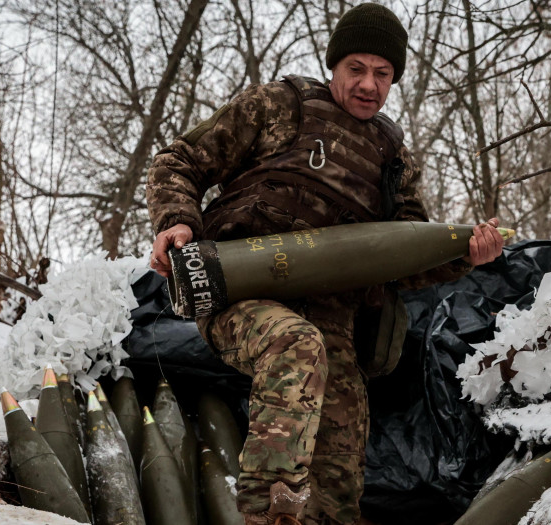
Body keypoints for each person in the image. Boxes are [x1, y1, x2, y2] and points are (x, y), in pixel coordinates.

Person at [145, 4, 504, 524]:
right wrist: (177, 222)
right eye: (356, 68)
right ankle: (271, 517)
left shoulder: (392, 158)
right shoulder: (278, 106)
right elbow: (178, 161)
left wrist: (465, 256)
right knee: (296, 344)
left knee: (338, 475)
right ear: (333, 66)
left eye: (383, 74)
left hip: (333, 324)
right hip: (242, 293)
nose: (368, 84)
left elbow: (403, 261)